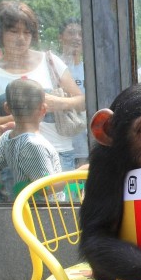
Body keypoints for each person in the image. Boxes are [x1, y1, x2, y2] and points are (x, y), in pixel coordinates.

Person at [0, 0, 84, 172]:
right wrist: (22, 117)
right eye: (14, 31)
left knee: (58, 199)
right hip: (14, 159)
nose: (21, 38)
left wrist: (58, 102)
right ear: (0, 33)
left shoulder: (50, 62)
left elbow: (83, 101)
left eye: (27, 32)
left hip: (58, 153)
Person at [0, 78, 62, 192]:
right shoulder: (35, 145)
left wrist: (0, 131)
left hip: (25, 206)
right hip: (42, 208)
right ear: (43, 109)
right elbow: (45, 190)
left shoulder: (7, 137)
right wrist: (77, 173)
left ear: (7, 107)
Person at [58, 17, 88, 167]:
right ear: (61, 37)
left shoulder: (90, 69)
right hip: (63, 145)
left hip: (87, 144)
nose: (76, 38)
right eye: (71, 33)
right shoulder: (54, 68)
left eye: (80, 34)